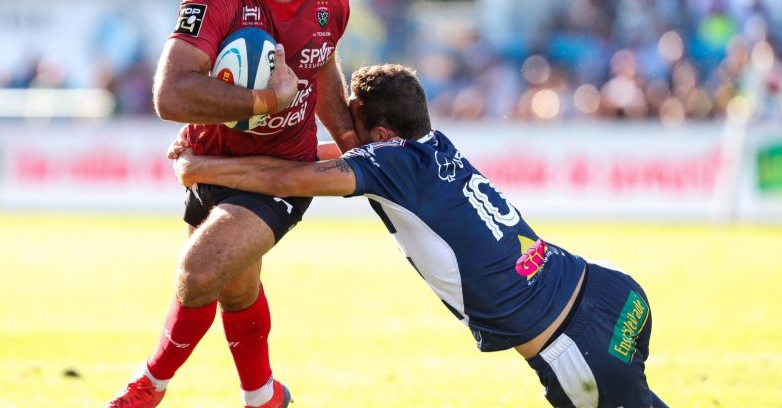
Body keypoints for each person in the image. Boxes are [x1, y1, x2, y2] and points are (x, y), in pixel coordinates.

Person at [171, 64, 668, 408]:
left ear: (383, 136)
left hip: (572, 349)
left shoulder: (392, 164)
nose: (349, 139)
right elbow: (308, 161)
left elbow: (288, 181)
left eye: (355, 127)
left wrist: (201, 168)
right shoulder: (435, 146)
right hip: (613, 292)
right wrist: (220, 156)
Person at [105, 0, 358, 408]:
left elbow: (324, 73)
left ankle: (148, 387)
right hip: (215, 163)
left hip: (282, 173)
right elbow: (169, 95)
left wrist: (355, 144)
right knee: (236, 288)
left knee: (199, 272)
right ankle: (265, 397)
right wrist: (265, 100)